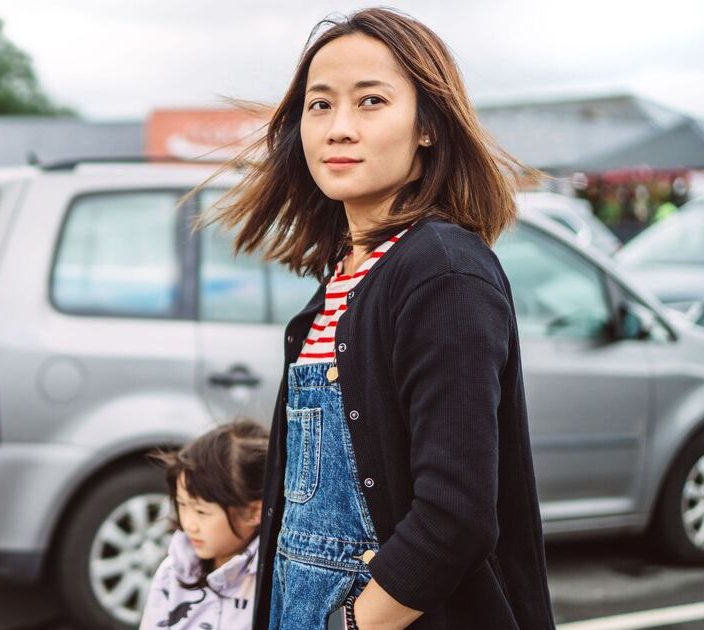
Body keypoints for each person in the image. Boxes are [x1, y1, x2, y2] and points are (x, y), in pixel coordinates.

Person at [204, 7, 555, 629]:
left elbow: (455, 517)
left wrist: (352, 624)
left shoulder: (442, 272)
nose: (339, 128)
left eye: (371, 101)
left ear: (427, 126)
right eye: (320, 104)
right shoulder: (348, 269)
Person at [140, 420, 269, 630]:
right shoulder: (172, 572)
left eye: (202, 512)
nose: (189, 524)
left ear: (254, 511)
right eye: (182, 504)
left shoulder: (274, 582)